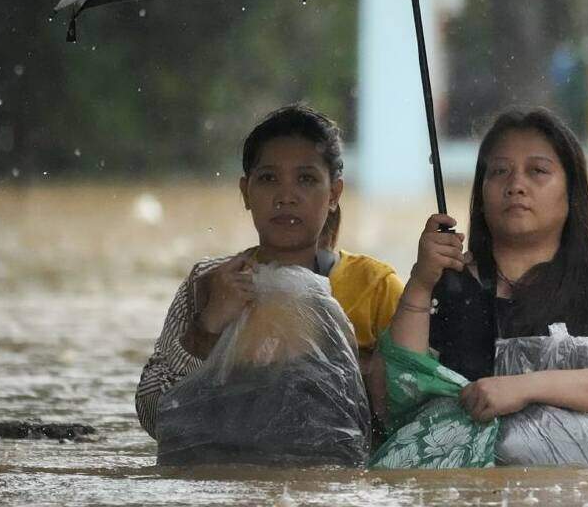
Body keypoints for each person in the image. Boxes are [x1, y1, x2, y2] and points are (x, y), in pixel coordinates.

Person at [377, 108, 588, 426]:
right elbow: (387, 401)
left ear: (571, 193)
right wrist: (420, 284)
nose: (516, 184)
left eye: (538, 171)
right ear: (482, 193)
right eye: (500, 171)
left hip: (575, 476)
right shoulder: (445, 285)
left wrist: (525, 388)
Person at [135, 104, 404, 438]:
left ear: (334, 194)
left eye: (306, 179)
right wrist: (207, 329)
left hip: (333, 485)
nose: (286, 196)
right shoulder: (210, 282)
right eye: (268, 179)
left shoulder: (376, 287)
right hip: (231, 481)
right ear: (246, 192)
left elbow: (412, 411)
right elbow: (153, 416)